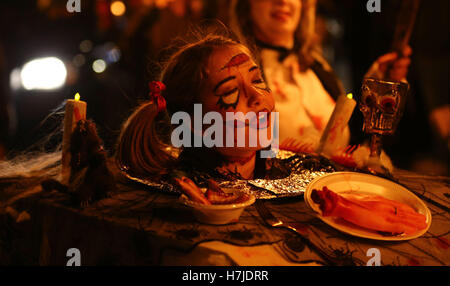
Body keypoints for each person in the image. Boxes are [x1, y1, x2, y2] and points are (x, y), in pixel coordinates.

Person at [229, 0, 411, 155]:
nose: (283, 1)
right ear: (246, 4)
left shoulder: (318, 67)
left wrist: (376, 90)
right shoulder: (235, 72)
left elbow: (352, 140)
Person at [116, 33, 277, 181]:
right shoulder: (187, 192)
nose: (258, 96)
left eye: (257, 80)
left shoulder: (287, 168)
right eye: (230, 93)